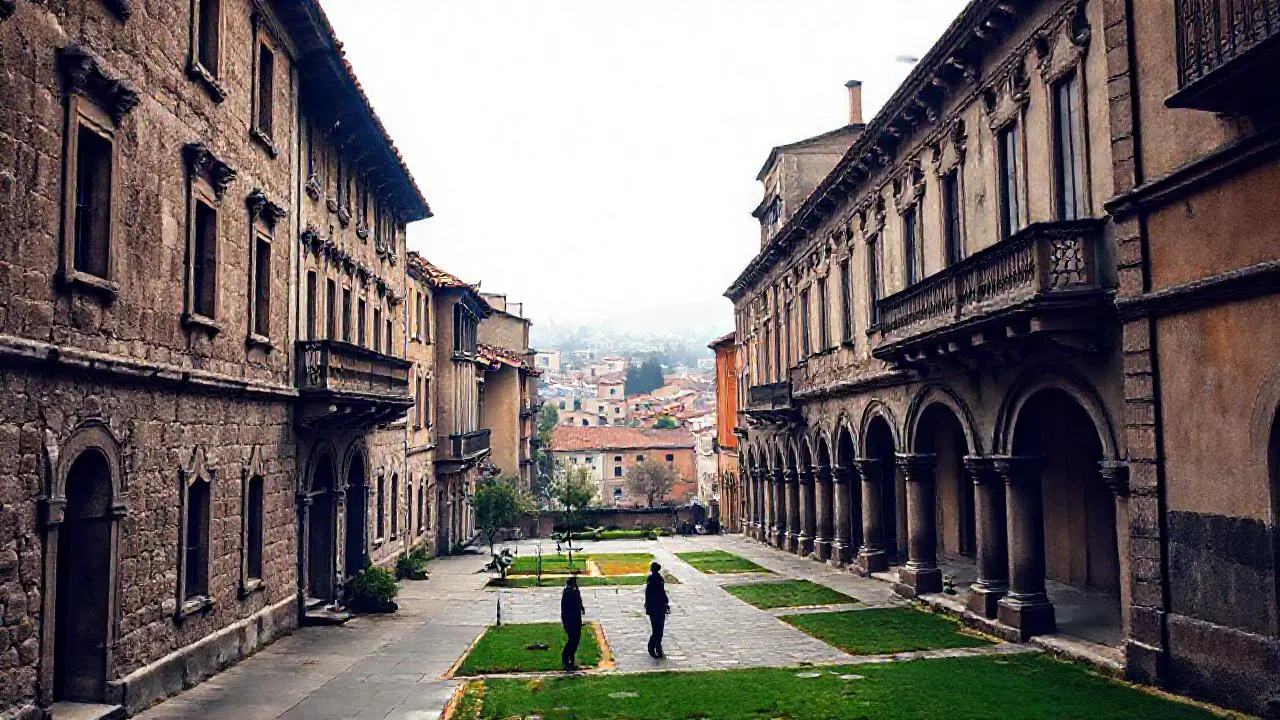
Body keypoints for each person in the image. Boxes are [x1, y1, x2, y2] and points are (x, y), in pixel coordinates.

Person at [644, 562, 670, 658]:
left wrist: (648, 606)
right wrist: (666, 602)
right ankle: (655, 648)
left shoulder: (652, 579)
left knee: (657, 630)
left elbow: (648, 594)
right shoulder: (659, 579)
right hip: (659, 607)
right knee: (659, 630)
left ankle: (655, 648)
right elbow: (661, 592)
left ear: (652, 569)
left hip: (655, 608)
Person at [560, 575, 585, 670]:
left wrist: (581, 608)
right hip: (571, 620)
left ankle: (571, 660)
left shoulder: (573, 591)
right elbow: (568, 608)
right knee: (573, 640)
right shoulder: (569, 592)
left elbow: (578, 600)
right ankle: (566, 659)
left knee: (575, 640)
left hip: (575, 619)